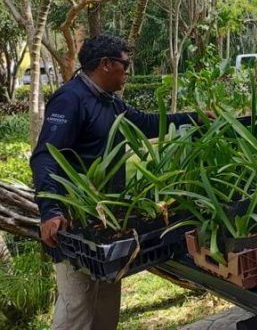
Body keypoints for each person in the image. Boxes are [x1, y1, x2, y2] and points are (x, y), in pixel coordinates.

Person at [30, 34, 207, 330]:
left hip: (108, 226)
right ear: (105, 64)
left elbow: (148, 123)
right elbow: (46, 156)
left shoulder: (110, 102)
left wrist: (197, 118)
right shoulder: (70, 99)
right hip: (75, 227)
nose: (127, 72)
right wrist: (50, 211)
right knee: (76, 311)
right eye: (125, 65)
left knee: (105, 310)